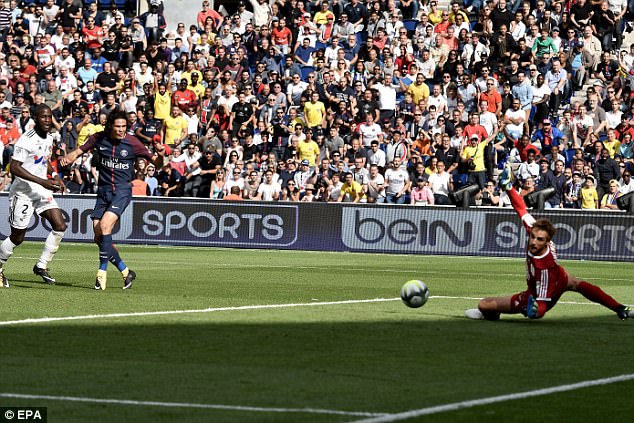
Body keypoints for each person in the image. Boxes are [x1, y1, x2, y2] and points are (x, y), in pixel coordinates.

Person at [465, 163, 633, 321]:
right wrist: (508, 187)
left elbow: (544, 305)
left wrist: (535, 310)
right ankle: (620, 308)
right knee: (578, 284)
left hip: (546, 288)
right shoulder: (533, 229)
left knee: (485, 305)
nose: (533, 242)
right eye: (533, 237)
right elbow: (520, 208)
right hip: (560, 275)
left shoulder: (542, 266)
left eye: (539, 240)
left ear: (547, 242)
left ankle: (619, 308)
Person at [61, 110, 164, 290]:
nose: (121, 130)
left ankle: (101, 274)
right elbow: (79, 151)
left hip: (122, 191)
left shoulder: (133, 143)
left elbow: (157, 163)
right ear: (110, 126)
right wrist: (69, 157)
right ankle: (126, 272)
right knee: (98, 236)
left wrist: (161, 155)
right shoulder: (98, 138)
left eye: (124, 126)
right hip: (103, 192)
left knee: (105, 225)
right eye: (118, 126)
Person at [0, 105, 67, 288]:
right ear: (35, 119)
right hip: (22, 192)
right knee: (18, 237)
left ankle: (41, 265)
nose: (47, 120)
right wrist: (42, 181)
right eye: (43, 117)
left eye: (49, 117)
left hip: (40, 190)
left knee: (60, 225)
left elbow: (44, 161)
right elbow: (14, 167)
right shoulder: (26, 140)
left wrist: (54, 177)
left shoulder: (50, 137)